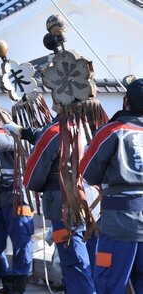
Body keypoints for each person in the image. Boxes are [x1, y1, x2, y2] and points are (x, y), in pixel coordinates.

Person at [17, 109, 96, 294]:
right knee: (92, 256)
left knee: (73, 259)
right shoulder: (96, 127)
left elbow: (35, 172)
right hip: (95, 199)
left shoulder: (55, 131)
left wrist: (32, 184)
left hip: (63, 201)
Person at [79, 77, 143, 294]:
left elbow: (88, 172)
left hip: (120, 218)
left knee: (109, 280)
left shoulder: (113, 130)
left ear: (126, 102)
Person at [0, 111, 33, 294]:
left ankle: (19, 284)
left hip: (18, 196)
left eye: (0, 116)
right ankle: (7, 278)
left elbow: (8, 143)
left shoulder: (17, 139)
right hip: (0, 201)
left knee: (21, 243)